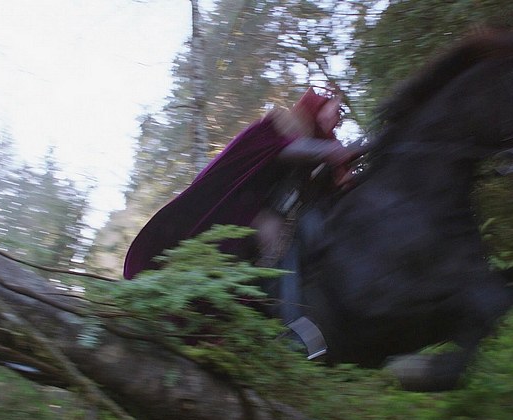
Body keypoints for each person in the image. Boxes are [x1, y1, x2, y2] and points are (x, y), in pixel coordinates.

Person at [123, 87, 356, 282]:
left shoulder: (321, 145)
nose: (337, 119)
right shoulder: (276, 126)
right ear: (319, 106)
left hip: (267, 212)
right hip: (235, 207)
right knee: (274, 242)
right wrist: (330, 151)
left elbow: (330, 180)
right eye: (335, 110)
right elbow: (286, 150)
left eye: (340, 116)